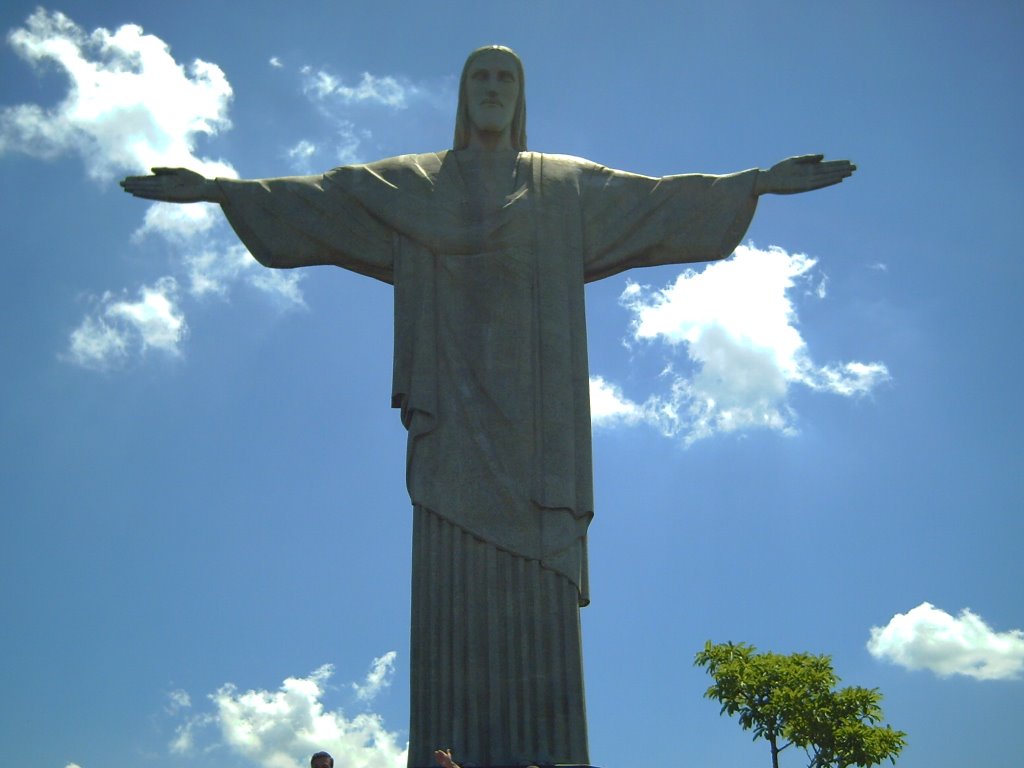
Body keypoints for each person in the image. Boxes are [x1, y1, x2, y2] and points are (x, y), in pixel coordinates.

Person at [121, 45, 854, 768]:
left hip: (541, 434)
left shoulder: (564, 187)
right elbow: (327, 197)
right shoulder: (414, 186)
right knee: (449, 570)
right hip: (451, 424)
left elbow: (657, 201)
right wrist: (221, 190)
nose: (494, 88)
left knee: (541, 588)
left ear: (522, 95)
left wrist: (754, 183)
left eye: (507, 77)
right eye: (481, 77)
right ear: (463, 94)